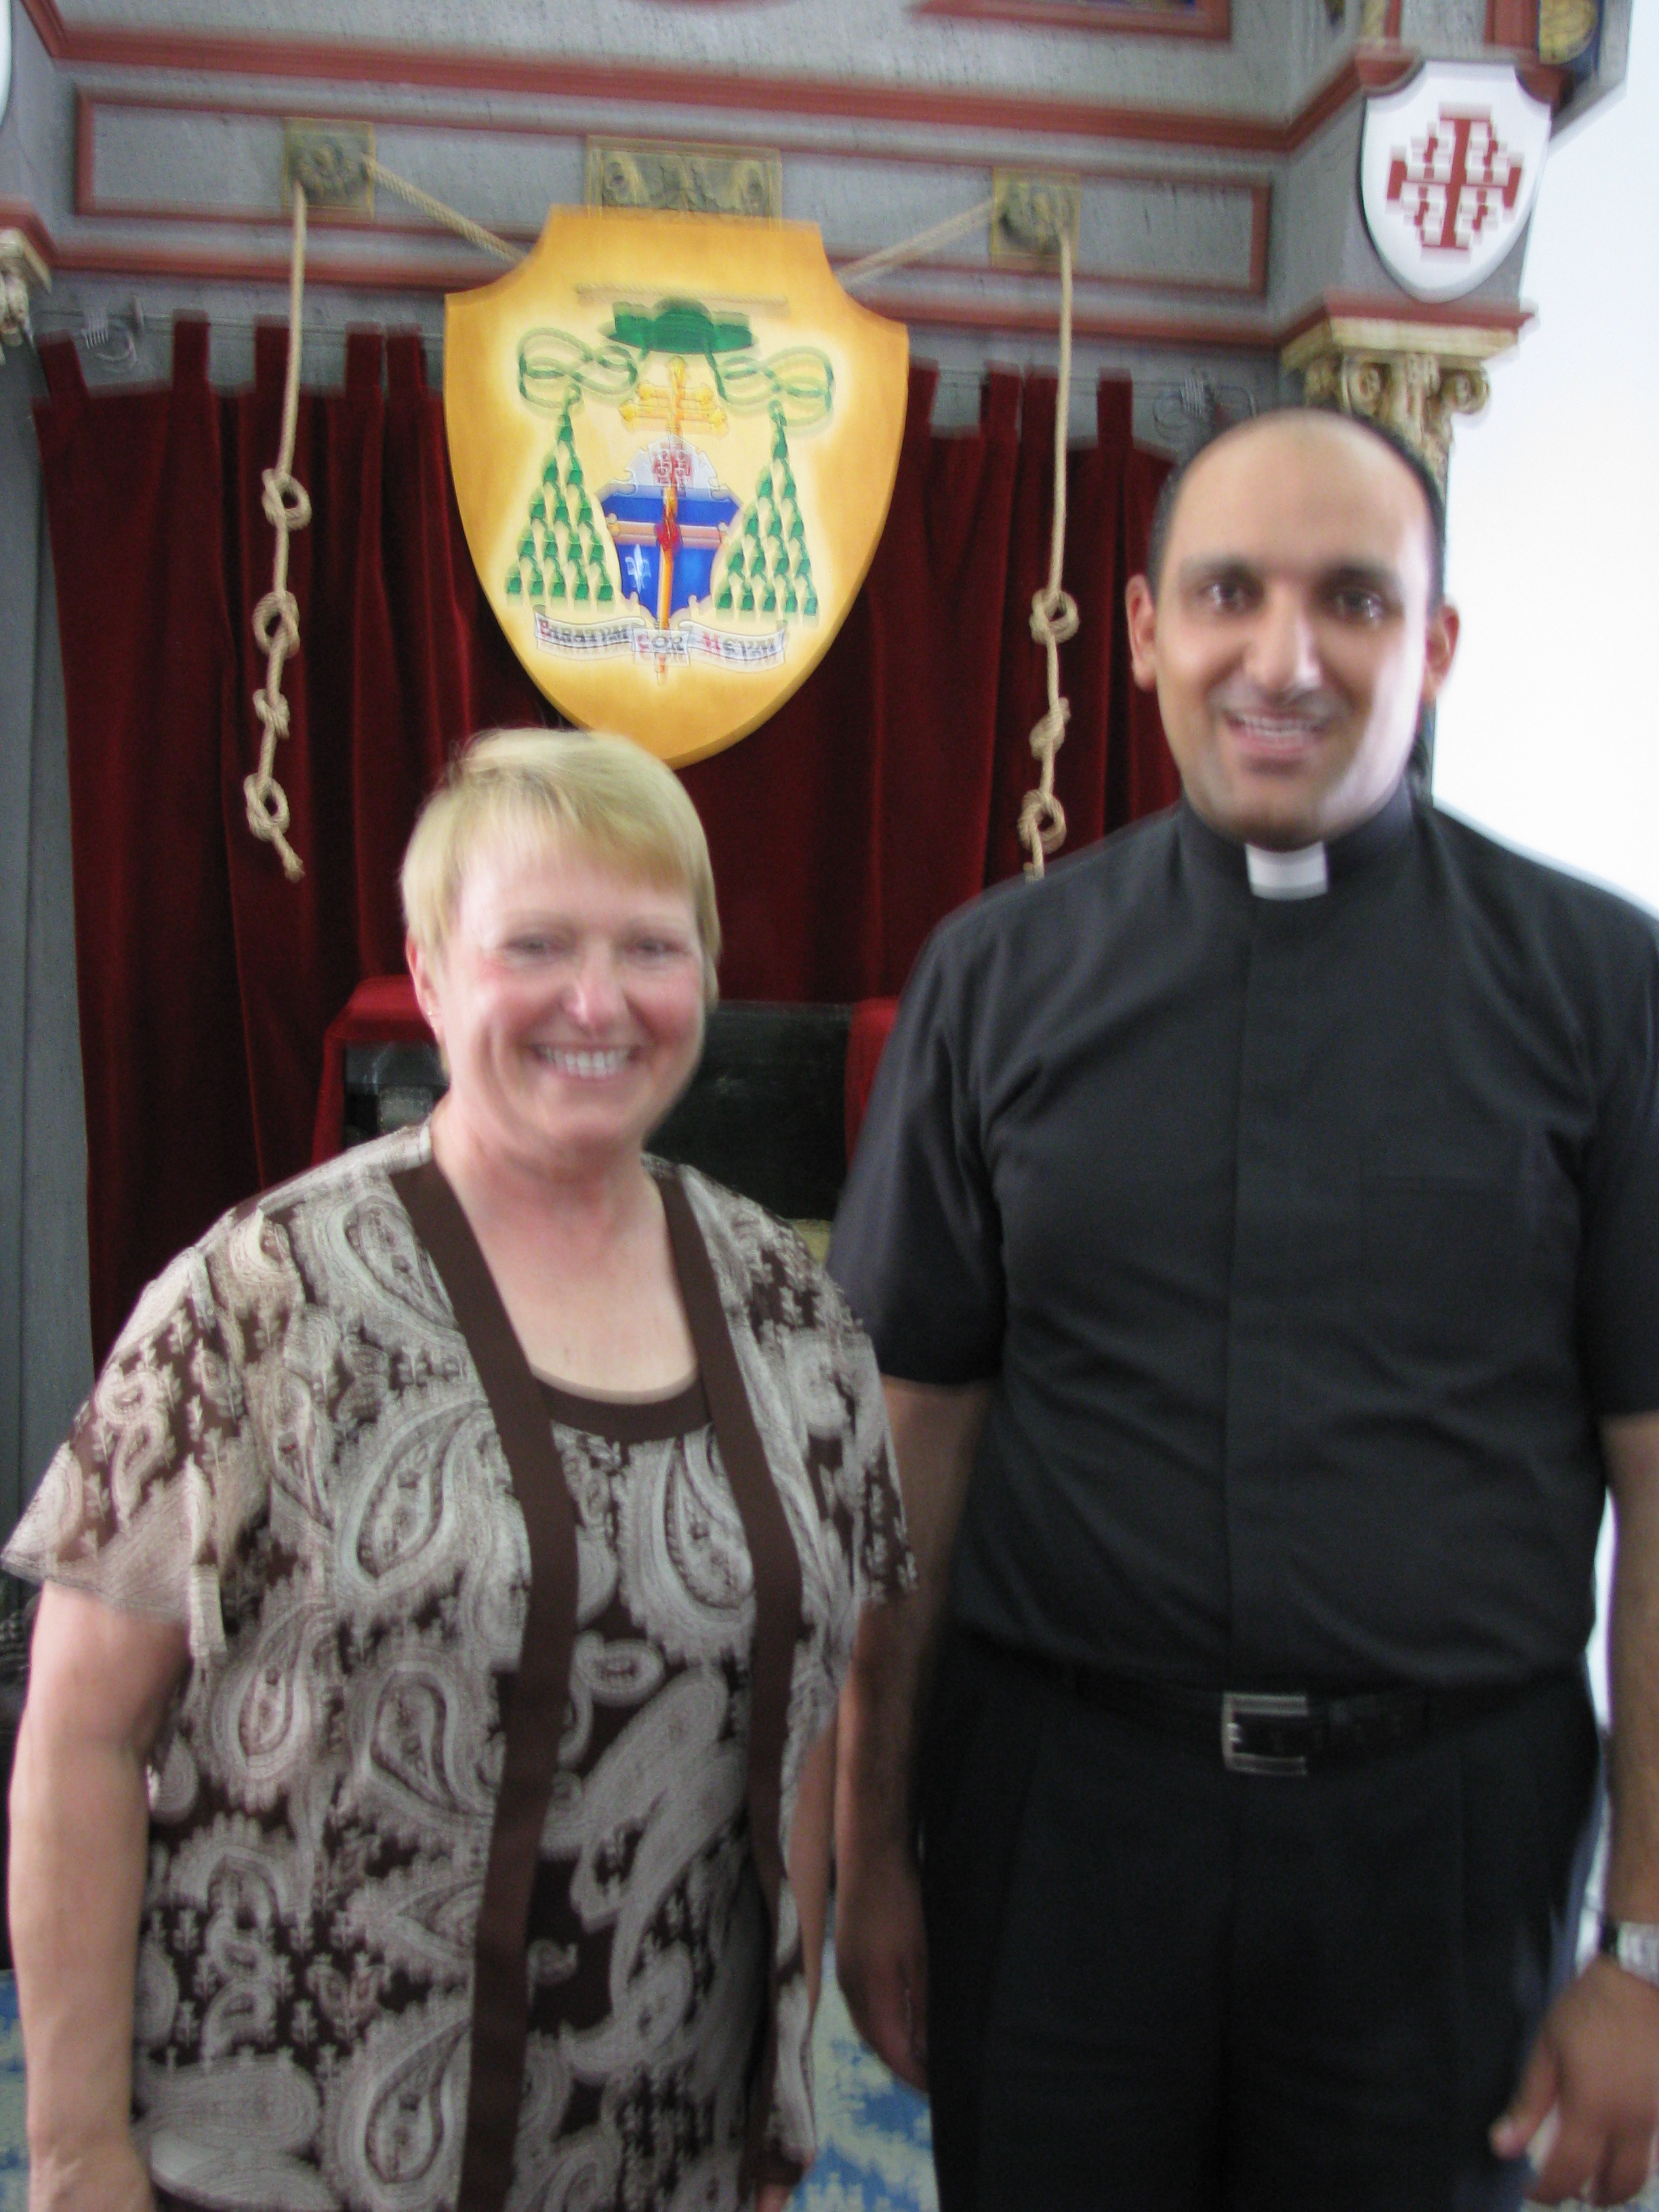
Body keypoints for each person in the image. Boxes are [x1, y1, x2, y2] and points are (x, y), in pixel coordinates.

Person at [827, 406, 1659, 2212]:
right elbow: (915, 1452)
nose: (1284, 658)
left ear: (1435, 643)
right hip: (1064, 1826)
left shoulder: (1606, 988)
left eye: (1353, 599)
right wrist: (871, 1846)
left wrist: (1647, 1946)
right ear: (1142, 633)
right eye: (1227, 594)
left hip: (1441, 1850)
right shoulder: (996, 980)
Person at [7, 727, 911, 2212]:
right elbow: (83, 1738)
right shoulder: (260, 1301)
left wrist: (772, 2108)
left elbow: (797, 1742)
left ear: (707, 977)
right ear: (430, 976)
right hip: (292, 2157)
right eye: (535, 945)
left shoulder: (791, 1316)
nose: (596, 1001)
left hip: (660, 2155)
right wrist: (73, 2151)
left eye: (649, 946)